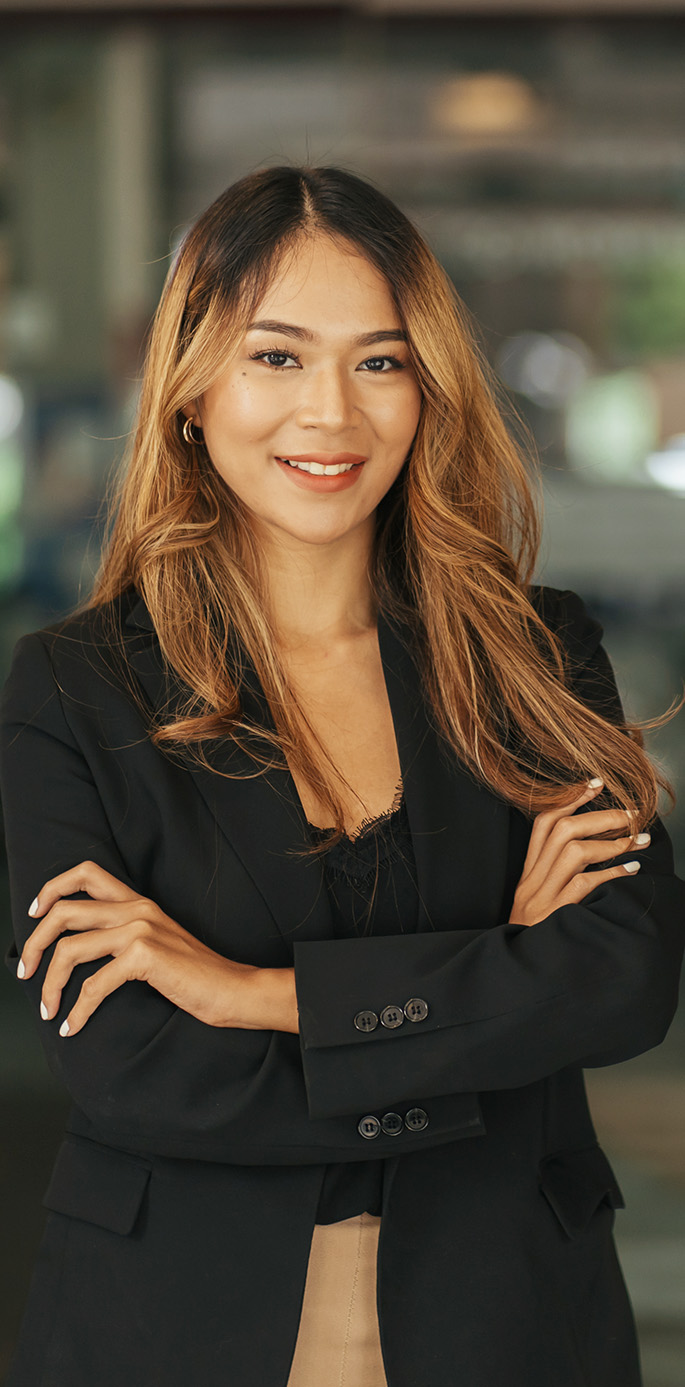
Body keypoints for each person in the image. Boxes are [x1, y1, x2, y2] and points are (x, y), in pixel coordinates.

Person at [1, 165, 683, 1387]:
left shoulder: (533, 654)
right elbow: (136, 1069)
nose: (331, 412)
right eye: (276, 356)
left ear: (429, 389)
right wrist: (496, 980)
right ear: (192, 389)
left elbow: (622, 979)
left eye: (380, 361)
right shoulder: (75, 688)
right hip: (172, 1332)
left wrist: (252, 995)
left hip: (508, 1319)